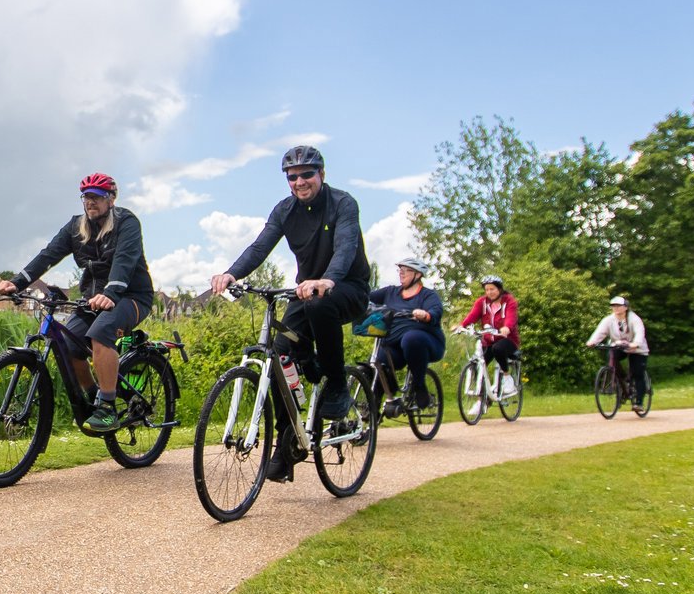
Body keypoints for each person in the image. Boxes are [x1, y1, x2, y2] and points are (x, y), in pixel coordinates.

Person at [208, 145, 370, 482]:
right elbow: (260, 246)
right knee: (280, 354)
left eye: (307, 174)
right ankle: (288, 445)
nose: (299, 182)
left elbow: (345, 246)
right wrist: (232, 273)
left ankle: (337, 385)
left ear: (321, 175)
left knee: (321, 304)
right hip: (305, 291)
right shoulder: (284, 210)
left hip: (346, 287)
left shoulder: (343, 204)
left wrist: (328, 279)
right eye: (292, 177)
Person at [0, 172, 155, 433]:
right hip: (92, 300)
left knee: (101, 333)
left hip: (131, 296)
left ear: (111, 199)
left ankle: (107, 408)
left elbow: (124, 262)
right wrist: (17, 283)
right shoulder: (76, 226)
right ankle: (95, 395)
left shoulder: (126, 223)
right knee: (68, 345)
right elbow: (48, 255)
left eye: (97, 197)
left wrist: (111, 294)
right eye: (86, 197)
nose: (90, 202)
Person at [368, 258, 445, 409]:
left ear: (418, 275)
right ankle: (374, 409)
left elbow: (435, 312)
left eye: (406, 270)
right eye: (400, 270)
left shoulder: (428, 296)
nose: (401, 273)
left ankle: (419, 386)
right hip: (394, 346)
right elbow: (365, 297)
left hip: (426, 344)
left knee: (411, 338)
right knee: (377, 362)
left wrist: (425, 315)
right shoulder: (390, 292)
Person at [585, 295, 650, 410]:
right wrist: (592, 342)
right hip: (619, 346)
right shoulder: (609, 320)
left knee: (637, 373)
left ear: (626, 307)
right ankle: (620, 381)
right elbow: (600, 332)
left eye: (619, 306)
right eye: (613, 306)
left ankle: (639, 402)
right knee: (611, 357)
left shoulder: (634, 319)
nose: (616, 308)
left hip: (637, 349)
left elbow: (640, 332)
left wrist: (636, 343)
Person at [455, 273, 519, 380]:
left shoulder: (509, 301)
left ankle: (507, 377)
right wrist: (462, 326)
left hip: (507, 339)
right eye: (487, 290)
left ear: (499, 289)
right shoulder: (482, 302)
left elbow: (511, 317)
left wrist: (507, 327)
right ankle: (482, 392)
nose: (489, 292)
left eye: (492, 289)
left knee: (498, 349)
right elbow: (472, 316)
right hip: (488, 340)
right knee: (478, 362)